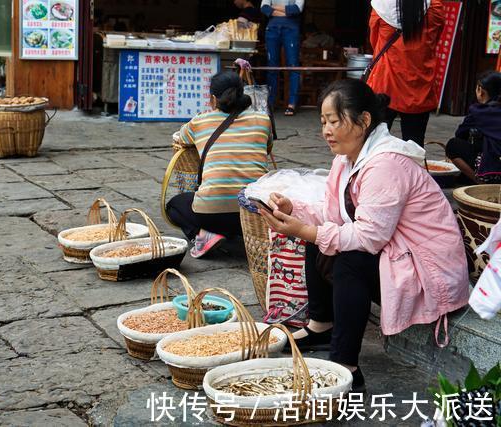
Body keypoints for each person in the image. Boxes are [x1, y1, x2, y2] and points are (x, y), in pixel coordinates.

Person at [259, 79, 469, 391]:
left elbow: (369, 238)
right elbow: (331, 213)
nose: (326, 130)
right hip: (398, 251)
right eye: (323, 122)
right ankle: (321, 326)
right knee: (318, 239)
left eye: (333, 121)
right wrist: (295, 210)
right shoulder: (346, 159)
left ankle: (347, 368)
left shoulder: (386, 164)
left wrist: (306, 229)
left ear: (364, 121)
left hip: (431, 272)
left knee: (349, 260)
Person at [166, 71, 272, 258]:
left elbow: (180, 137)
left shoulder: (200, 121)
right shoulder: (263, 120)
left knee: (174, 206)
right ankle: (240, 233)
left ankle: (202, 237)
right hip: (254, 213)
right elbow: (268, 147)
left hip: (211, 215)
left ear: (213, 99)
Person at [367, 0, 444, 147]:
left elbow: (374, 41)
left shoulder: (380, 7)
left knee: (374, 143)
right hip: (419, 85)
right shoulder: (435, 7)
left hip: (385, 81)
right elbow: (434, 40)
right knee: (414, 144)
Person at [445, 71, 501, 184]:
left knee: (453, 145)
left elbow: (460, 134)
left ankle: (482, 184)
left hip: (494, 170)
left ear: (481, 91)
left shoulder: (479, 111)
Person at [261, 0, 304, 116]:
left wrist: (274, 8)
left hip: (291, 29)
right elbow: (264, 8)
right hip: (272, 29)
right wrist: (286, 12)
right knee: (271, 67)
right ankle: (271, 102)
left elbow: (297, 9)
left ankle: (292, 103)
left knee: (293, 66)